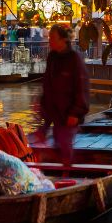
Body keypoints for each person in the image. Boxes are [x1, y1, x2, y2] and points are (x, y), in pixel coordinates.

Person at [36, 24, 89, 168]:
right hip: (53, 110)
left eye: (52, 38)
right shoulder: (52, 57)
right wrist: (43, 107)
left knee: (65, 145)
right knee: (54, 143)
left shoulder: (74, 59)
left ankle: (68, 174)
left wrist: (76, 112)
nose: (50, 41)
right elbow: (47, 84)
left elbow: (82, 87)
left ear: (63, 40)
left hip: (68, 113)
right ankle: (57, 172)